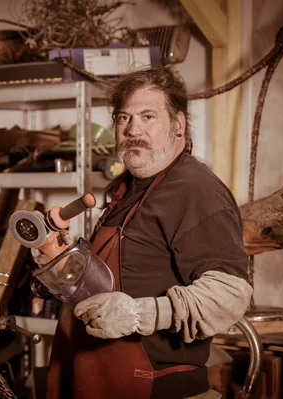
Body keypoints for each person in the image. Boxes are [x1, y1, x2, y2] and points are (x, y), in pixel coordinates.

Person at [35, 67, 253, 399]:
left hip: (156, 386)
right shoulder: (126, 189)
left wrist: (141, 314)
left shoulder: (195, 190)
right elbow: (109, 284)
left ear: (177, 125)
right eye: (123, 118)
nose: (133, 129)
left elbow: (230, 295)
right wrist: (61, 257)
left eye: (148, 116)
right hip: (94, 378)